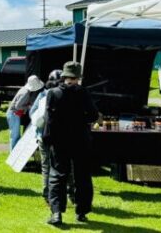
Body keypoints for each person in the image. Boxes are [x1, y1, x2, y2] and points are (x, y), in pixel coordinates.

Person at [44, 61, 98, 226]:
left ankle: (56, 213)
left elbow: (49, 120)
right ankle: (81, 212)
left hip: (60, 141)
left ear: (64, 76)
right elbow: (93, 116)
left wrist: (48, 139)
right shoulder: (84, 93)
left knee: (57, 176)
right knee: (82, 176)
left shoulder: (53, 93)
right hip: (80, 140)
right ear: (78, 77)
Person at [29, 70, 75, 205]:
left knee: (46, 166)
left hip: (43, 135)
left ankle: (47, 194)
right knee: (67, 165)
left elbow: (32, 113)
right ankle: (71, 193)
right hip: (63, 136)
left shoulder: (43, 94)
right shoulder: (66, 94)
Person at [6, 75, 44, 151]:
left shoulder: (24, 90)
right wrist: (28, 106)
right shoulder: (26, 92)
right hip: (14, 114)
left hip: (14, 114)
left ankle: (15, 154)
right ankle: (13, 155)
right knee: (15, 136)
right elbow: (17, 106)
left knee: (16, 135)